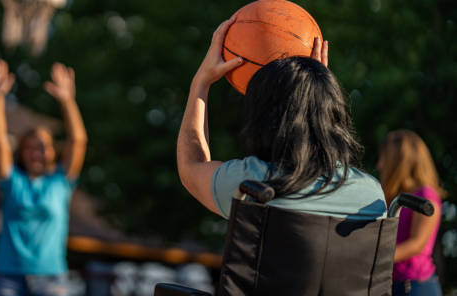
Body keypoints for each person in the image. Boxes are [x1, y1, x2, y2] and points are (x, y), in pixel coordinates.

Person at [177, 16, 387, 225]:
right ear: (333, 111)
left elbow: (191, 166)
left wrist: (201, 83)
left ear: (266, 118)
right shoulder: (371, 197)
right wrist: (314, 84)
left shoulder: (250, 185)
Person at [0, 59, 87, 296]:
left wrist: (67, 101)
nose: (38, 152)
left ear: (53, 152)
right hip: (8, 277)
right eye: (31, 147)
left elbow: (78, 141)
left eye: (44, 147)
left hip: (51, 277)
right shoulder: (13, 182)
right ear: (21, 152)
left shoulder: (60, 182)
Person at [377, 130, 445, 296]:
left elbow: (417, 244)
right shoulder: (391, 198)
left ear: (399, 162)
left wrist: (373, 258)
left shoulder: (426, 196)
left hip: (415, 287)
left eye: (384, 158)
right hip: (392, 284)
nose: (379, 165)